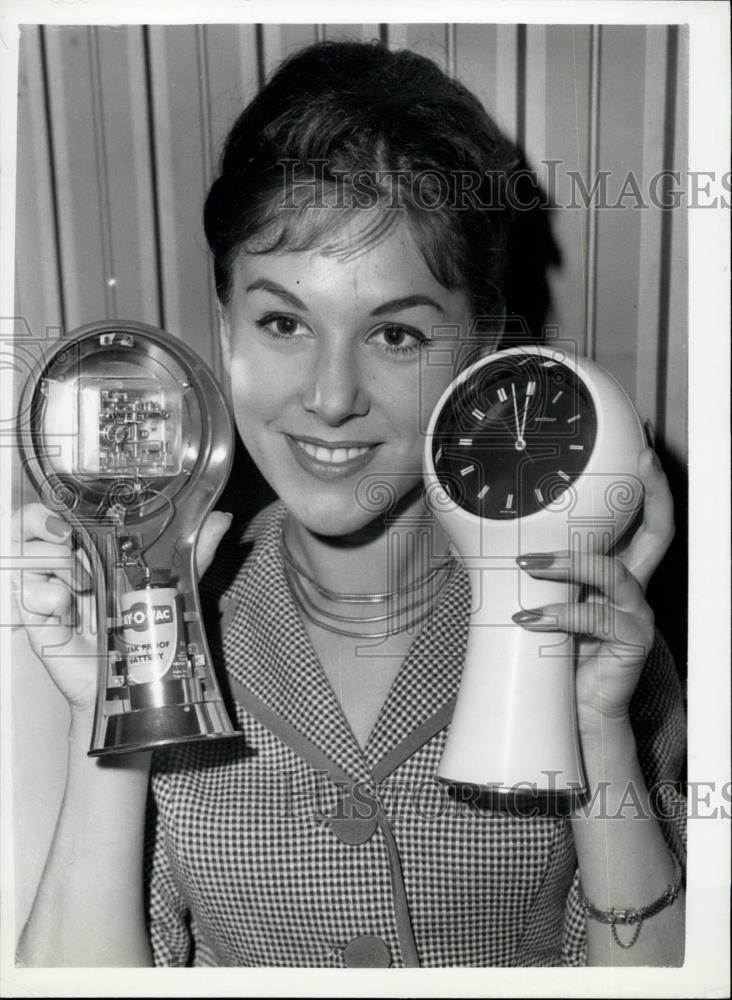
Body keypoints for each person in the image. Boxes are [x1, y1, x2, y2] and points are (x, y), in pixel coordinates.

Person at [13, 40, 686, 968]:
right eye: (283, 322)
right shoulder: (168, 621)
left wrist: (598, 729)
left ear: (478, 350)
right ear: (224, 324)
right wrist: (114, 713)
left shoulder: (580, 611)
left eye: (397, 333)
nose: (330, 396)